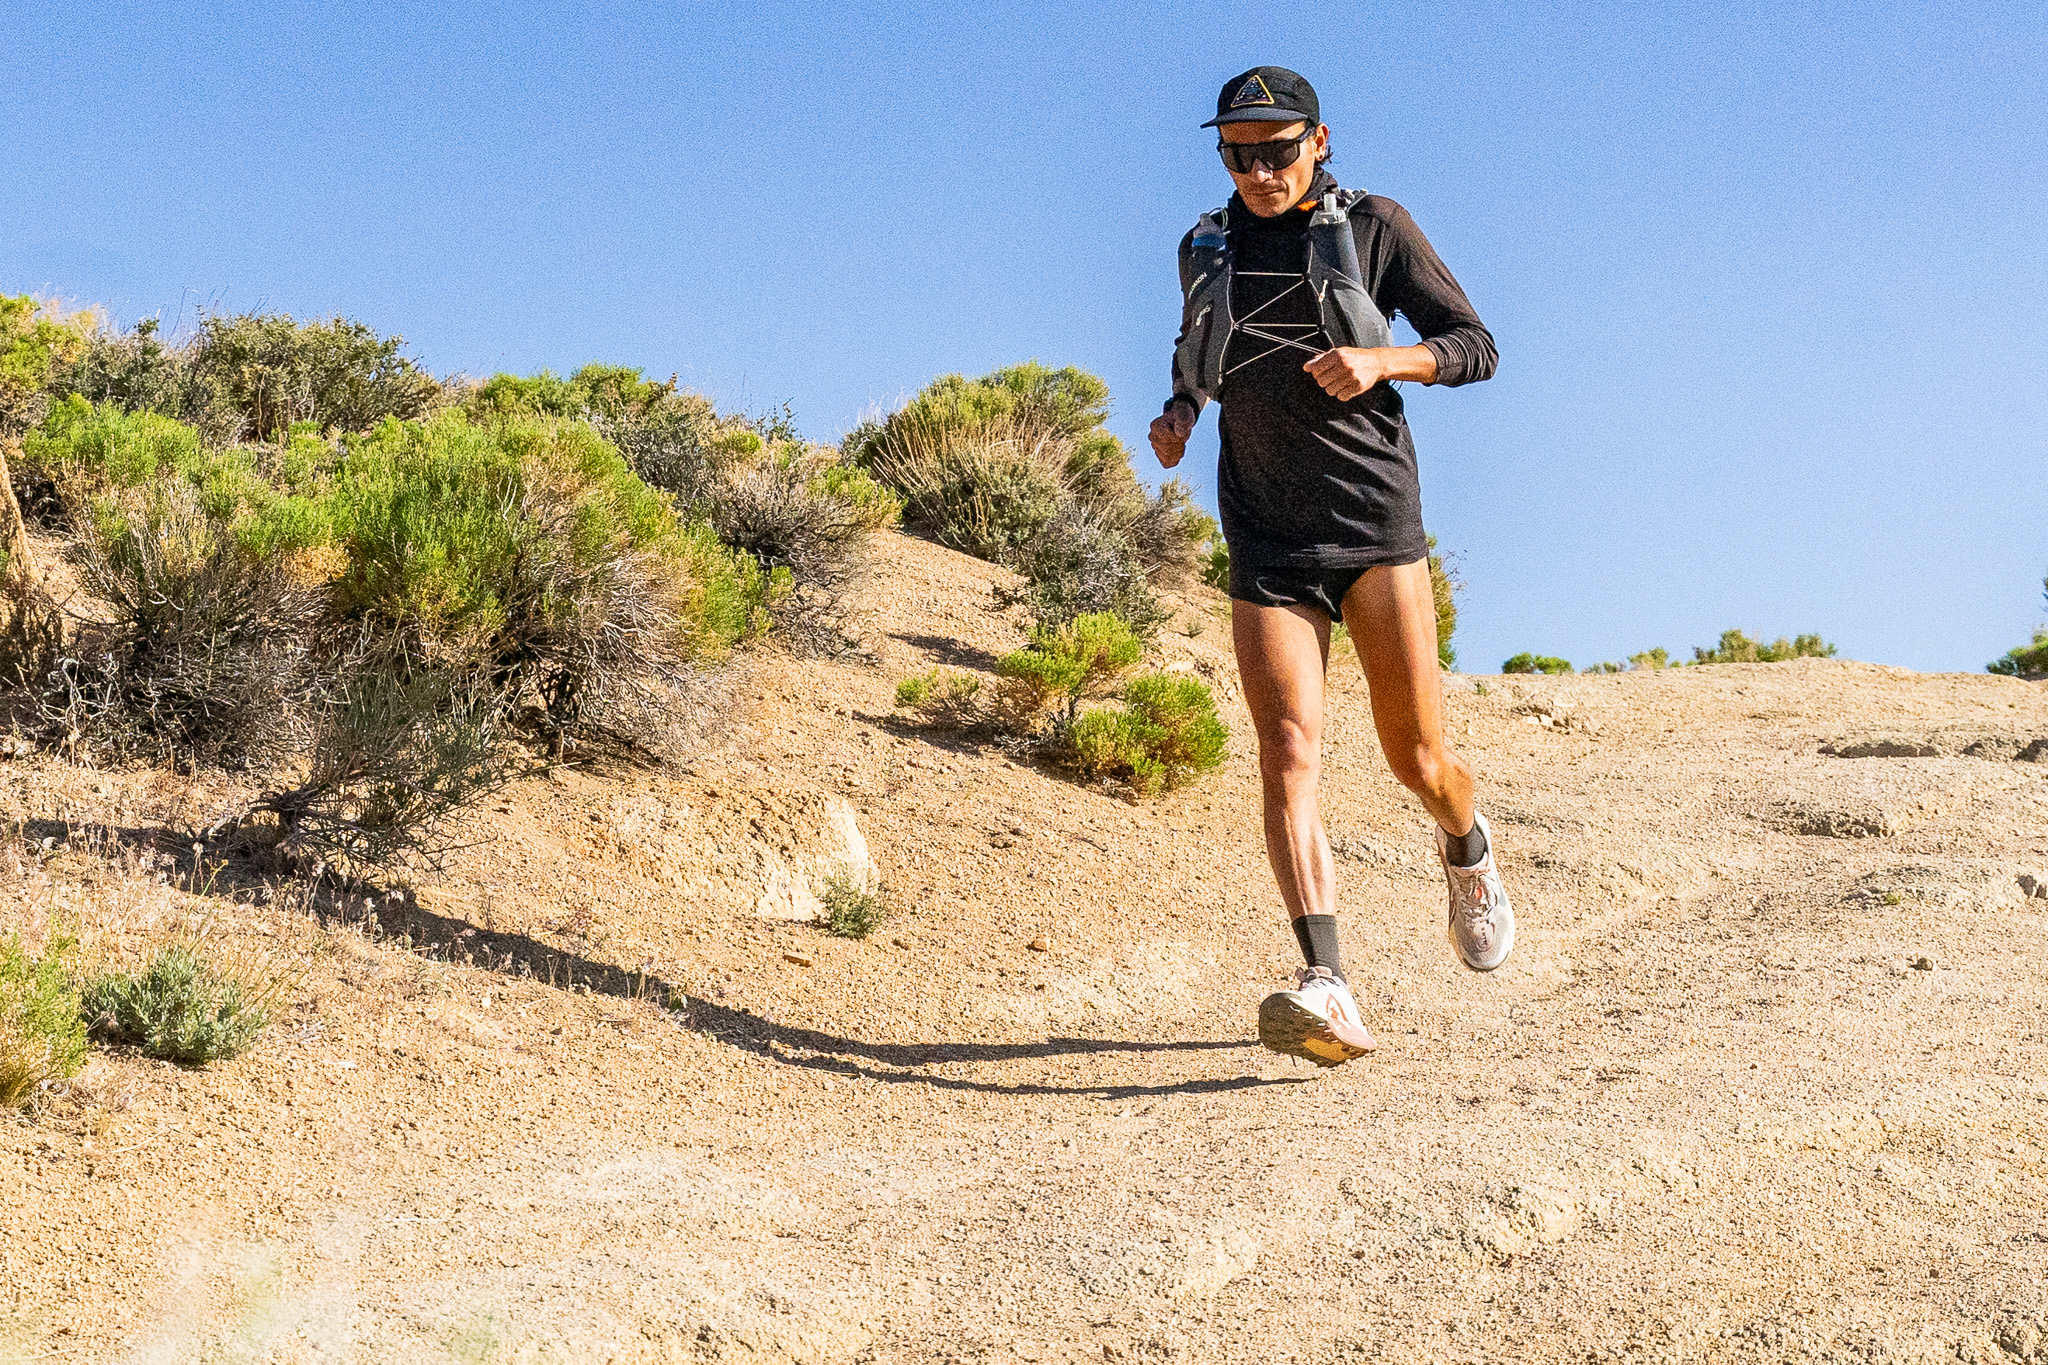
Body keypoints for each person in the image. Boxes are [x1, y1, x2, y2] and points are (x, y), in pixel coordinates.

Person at [1149, 66, 1513, 1068]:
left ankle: (1465, 846)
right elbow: (1195, 359)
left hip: (1370, 525)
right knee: (1286, 751)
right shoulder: (1202, 246)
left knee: (1416, 761)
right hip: (1263, 533)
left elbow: (1474, 345)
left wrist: (1381, 362)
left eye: (1276, 149)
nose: (1258, 170)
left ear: (1318, 142)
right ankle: (1327, 983)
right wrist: (1178, 415)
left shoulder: (1373, 227)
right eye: (1237, 152)